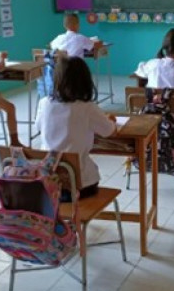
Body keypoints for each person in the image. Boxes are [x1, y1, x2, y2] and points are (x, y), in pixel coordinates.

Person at [35, 56, 116, 200]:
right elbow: (109, 131)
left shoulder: (44, 103)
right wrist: (111, 121)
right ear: (86, 81)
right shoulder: (87, 107)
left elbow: (38, 127)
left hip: (47, 184)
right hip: (79, 186)